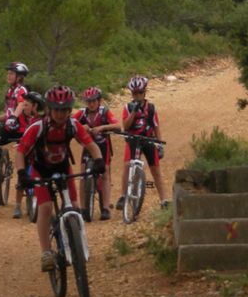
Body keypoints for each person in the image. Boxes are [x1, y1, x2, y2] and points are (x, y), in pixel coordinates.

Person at [15, 85, 104, 272]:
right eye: (56, 109)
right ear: (48, 108)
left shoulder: (73, 125)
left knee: (74, 205)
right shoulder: (38, 127)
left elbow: (90, 144)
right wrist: (23, 174)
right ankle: (46, 252)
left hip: (63, 167)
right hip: (40, 170)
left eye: (64, 110)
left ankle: (77, 243)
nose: (61, 114)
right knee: (46, 207)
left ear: (70, 110)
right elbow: (21, 151)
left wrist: (98, 161)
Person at [117, 75, 169, 209]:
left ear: (144, 92)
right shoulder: (127, 107)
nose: (137, 96)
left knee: (156, 170)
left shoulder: (151, 108)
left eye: (140, 93)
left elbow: (156, 126)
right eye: (135, 93)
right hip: (133, 139)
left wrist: (159, 144)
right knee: (128, 165)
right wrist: (134, 111)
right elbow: (126, 126)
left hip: (148, 139)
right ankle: (123, 196)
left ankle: (163, 199)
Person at [73, 86, 121, 220]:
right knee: (82, 174)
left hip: (102, 146)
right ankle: (83, 208)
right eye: (88, 101)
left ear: (99, 101)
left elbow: (118, 126)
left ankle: (105, 208)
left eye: (94, 101)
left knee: (105, 173)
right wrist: (82, 127)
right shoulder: (82, 113)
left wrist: (102, 127)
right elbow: (70, 123)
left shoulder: (104, 112)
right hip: (87, 146)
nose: (91, 104)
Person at [8, 90, 45, 219]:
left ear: (35, 106)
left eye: (27, 105)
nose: (25, 107)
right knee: (21, 175)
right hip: (27, 151)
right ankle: (17, 205)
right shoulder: (24, 118)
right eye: (24, 104)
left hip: (39, 152)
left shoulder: (40, 119)